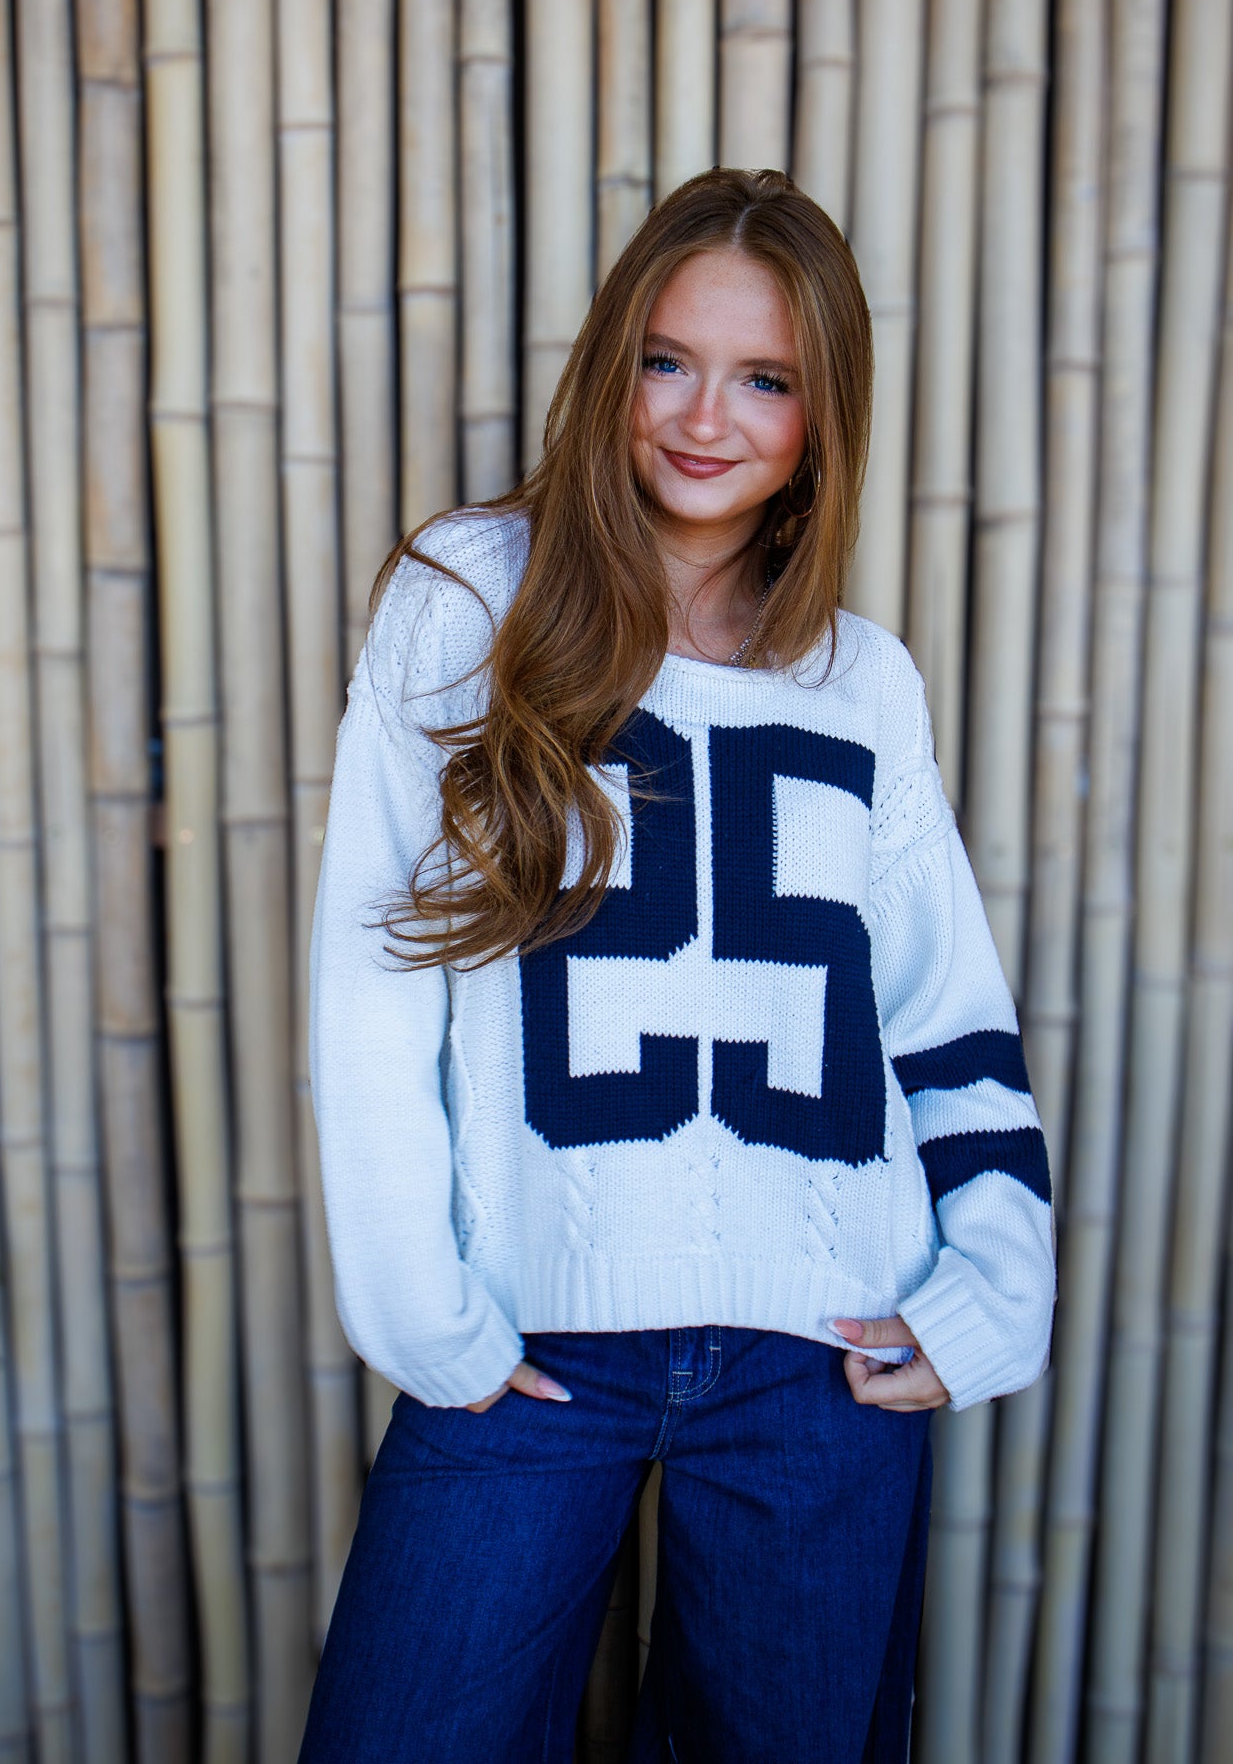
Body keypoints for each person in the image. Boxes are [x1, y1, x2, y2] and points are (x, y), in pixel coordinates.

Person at [298, 168, 1055, 1764]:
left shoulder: (862, 684)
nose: (704, 417)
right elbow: (374, 986)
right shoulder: (467, 597)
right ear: (609, 370)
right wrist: (426, 1318)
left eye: (765, 378)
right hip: (522, 1345)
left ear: (822, 412)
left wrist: (990, 1289)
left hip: (818, 1366)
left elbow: (940, 1015)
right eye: (666, 359)